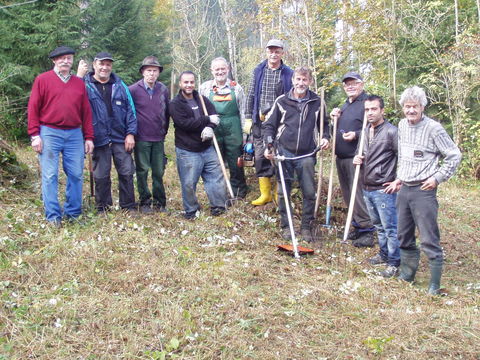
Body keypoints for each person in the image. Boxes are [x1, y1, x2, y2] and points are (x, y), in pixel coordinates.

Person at [384, 86, 461, 295]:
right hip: (404, 189)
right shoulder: (401, 125)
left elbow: (454, 155)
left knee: (428, 237)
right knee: (403, 234)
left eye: (414, 107)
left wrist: (437, 178)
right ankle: (407, 274)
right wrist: (399, 178)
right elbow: (405, 157)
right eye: (407, 107)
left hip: (423, 191)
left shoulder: (434, 128)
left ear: (422, 107)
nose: (410, 111)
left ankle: (434, 285)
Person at [27, 46, 94, 227]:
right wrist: (35, 135)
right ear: (54, 61)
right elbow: (33, 107)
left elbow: (86, 112)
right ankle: (53, 216)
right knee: (49, 175)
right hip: (49, 132)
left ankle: (73, 213)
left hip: (74, 134)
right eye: (62, 58)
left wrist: (88, 137)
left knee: (76, 174)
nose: (66, 61)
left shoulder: (79, 83)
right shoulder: (43, 80)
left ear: (72, 61)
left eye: (69, 58)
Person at [263, 67, 329, 242]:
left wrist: (325, 138)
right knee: (284, 191)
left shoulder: (317, 101)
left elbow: (325, 124)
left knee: (309, 191)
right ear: (292, 80)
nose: (301, 83)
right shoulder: (281, 101)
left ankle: (306, 227)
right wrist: (269, 145)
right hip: (284, 152)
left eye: (304, 80)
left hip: (307, 154)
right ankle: (287, 226)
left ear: (310, 82)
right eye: (298, 79)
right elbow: (269, 125)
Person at [83, 52, 137, 212]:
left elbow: (131, 112)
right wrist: (87, 137)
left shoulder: (121, 86)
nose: (104, 67)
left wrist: (131, 134)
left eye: (108, 64)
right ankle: (103, 207)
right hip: (98, 138)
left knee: (127, 172)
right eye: (102, 64)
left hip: (120, 138)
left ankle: (128, 206)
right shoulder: (85, 86)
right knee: (100, 175)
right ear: (94, 65)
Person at [352, 95, 400, 278]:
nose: (370, 112)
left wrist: (398, 180)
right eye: (367, 109)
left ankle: (394, 262)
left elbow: (401, 157)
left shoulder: (391, 132)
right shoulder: (365, 132)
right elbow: (362, 154)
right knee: (379, 226)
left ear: (382, 110)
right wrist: (358, 159)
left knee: (390, 228)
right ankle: (384, 253)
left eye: (374, 109)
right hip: (367, 186)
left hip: (384, 188)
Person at [169, 71, 227, 219]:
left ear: (195, 83)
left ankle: (218, 206)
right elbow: (185, 124)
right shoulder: (175, 104)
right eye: (186, 82)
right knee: (189, 182)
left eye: (192, 82)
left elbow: (215, 118)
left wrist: (210, 128)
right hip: (187, 150)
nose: (189, 85)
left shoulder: (202, 99)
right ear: (180, 84)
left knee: (215, 177)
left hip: (207, 147)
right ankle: (191, 210)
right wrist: (206, 119)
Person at [244, 39, 294, 206]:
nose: (274, 54)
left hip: (281, 123)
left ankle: (278, 193)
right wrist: (248, 117)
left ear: (282, 53)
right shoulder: (258, 70)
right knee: (260, 155)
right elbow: (251, 93)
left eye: (277, 51)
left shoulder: (288, 73)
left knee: (280, 155)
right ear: (266, 52)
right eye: (271, 50)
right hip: (260, 121)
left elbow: (293, 97)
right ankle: (265, 194)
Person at [330, 71, 375, 247]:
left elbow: (373, 128)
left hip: (356, 158)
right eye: (347, 84)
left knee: (358, 196)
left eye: (354, 83)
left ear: (361, 84)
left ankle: (367, 232)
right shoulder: (345, 105)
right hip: (341, 157)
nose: (350, 86)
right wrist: (335, 119)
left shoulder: (367, 104)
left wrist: (356, 135)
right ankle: (356, 226)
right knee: (348, 196)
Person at [199, 57, 248, 198]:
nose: (220, 72)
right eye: (217, 69)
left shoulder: (236, 88)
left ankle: (239, 191)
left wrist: (245, 135)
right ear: (212, 71)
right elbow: (200, 112)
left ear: (228, 69)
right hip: (214, 128)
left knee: (236, 161)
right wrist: (203, 128)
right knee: (215, 162)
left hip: (234, 129)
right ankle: (219, 192)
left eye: (223, 68)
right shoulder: (205, 88)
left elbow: (243, 112)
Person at [129, 56, 170, 213]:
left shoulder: (163, 89)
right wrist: (131, 134)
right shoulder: (133, 90)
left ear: (158, 73)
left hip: (158, 138)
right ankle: (145, 202)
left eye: (155, 71)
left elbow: (167, 113)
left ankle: (160, 202)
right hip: (141, 138)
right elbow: (129, 113)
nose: (152, 74)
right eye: (149, 71)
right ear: (142, 72)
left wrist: (164, 131)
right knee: (142, 170)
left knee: (158, 172)